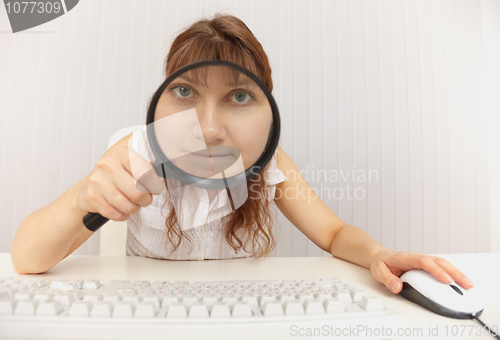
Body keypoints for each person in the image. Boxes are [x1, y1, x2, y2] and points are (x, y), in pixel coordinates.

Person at [11, 14, 474, 295]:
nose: (209, 129)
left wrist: (379, 253)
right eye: (186, 91)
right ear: (162, 100)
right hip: (148, 314)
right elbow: (28, 260)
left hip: (241, 312)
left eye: (237, 97)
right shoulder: (139, 154)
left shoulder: (268, 163)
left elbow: (333, 235)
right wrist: (81, 201)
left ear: (265, 111)